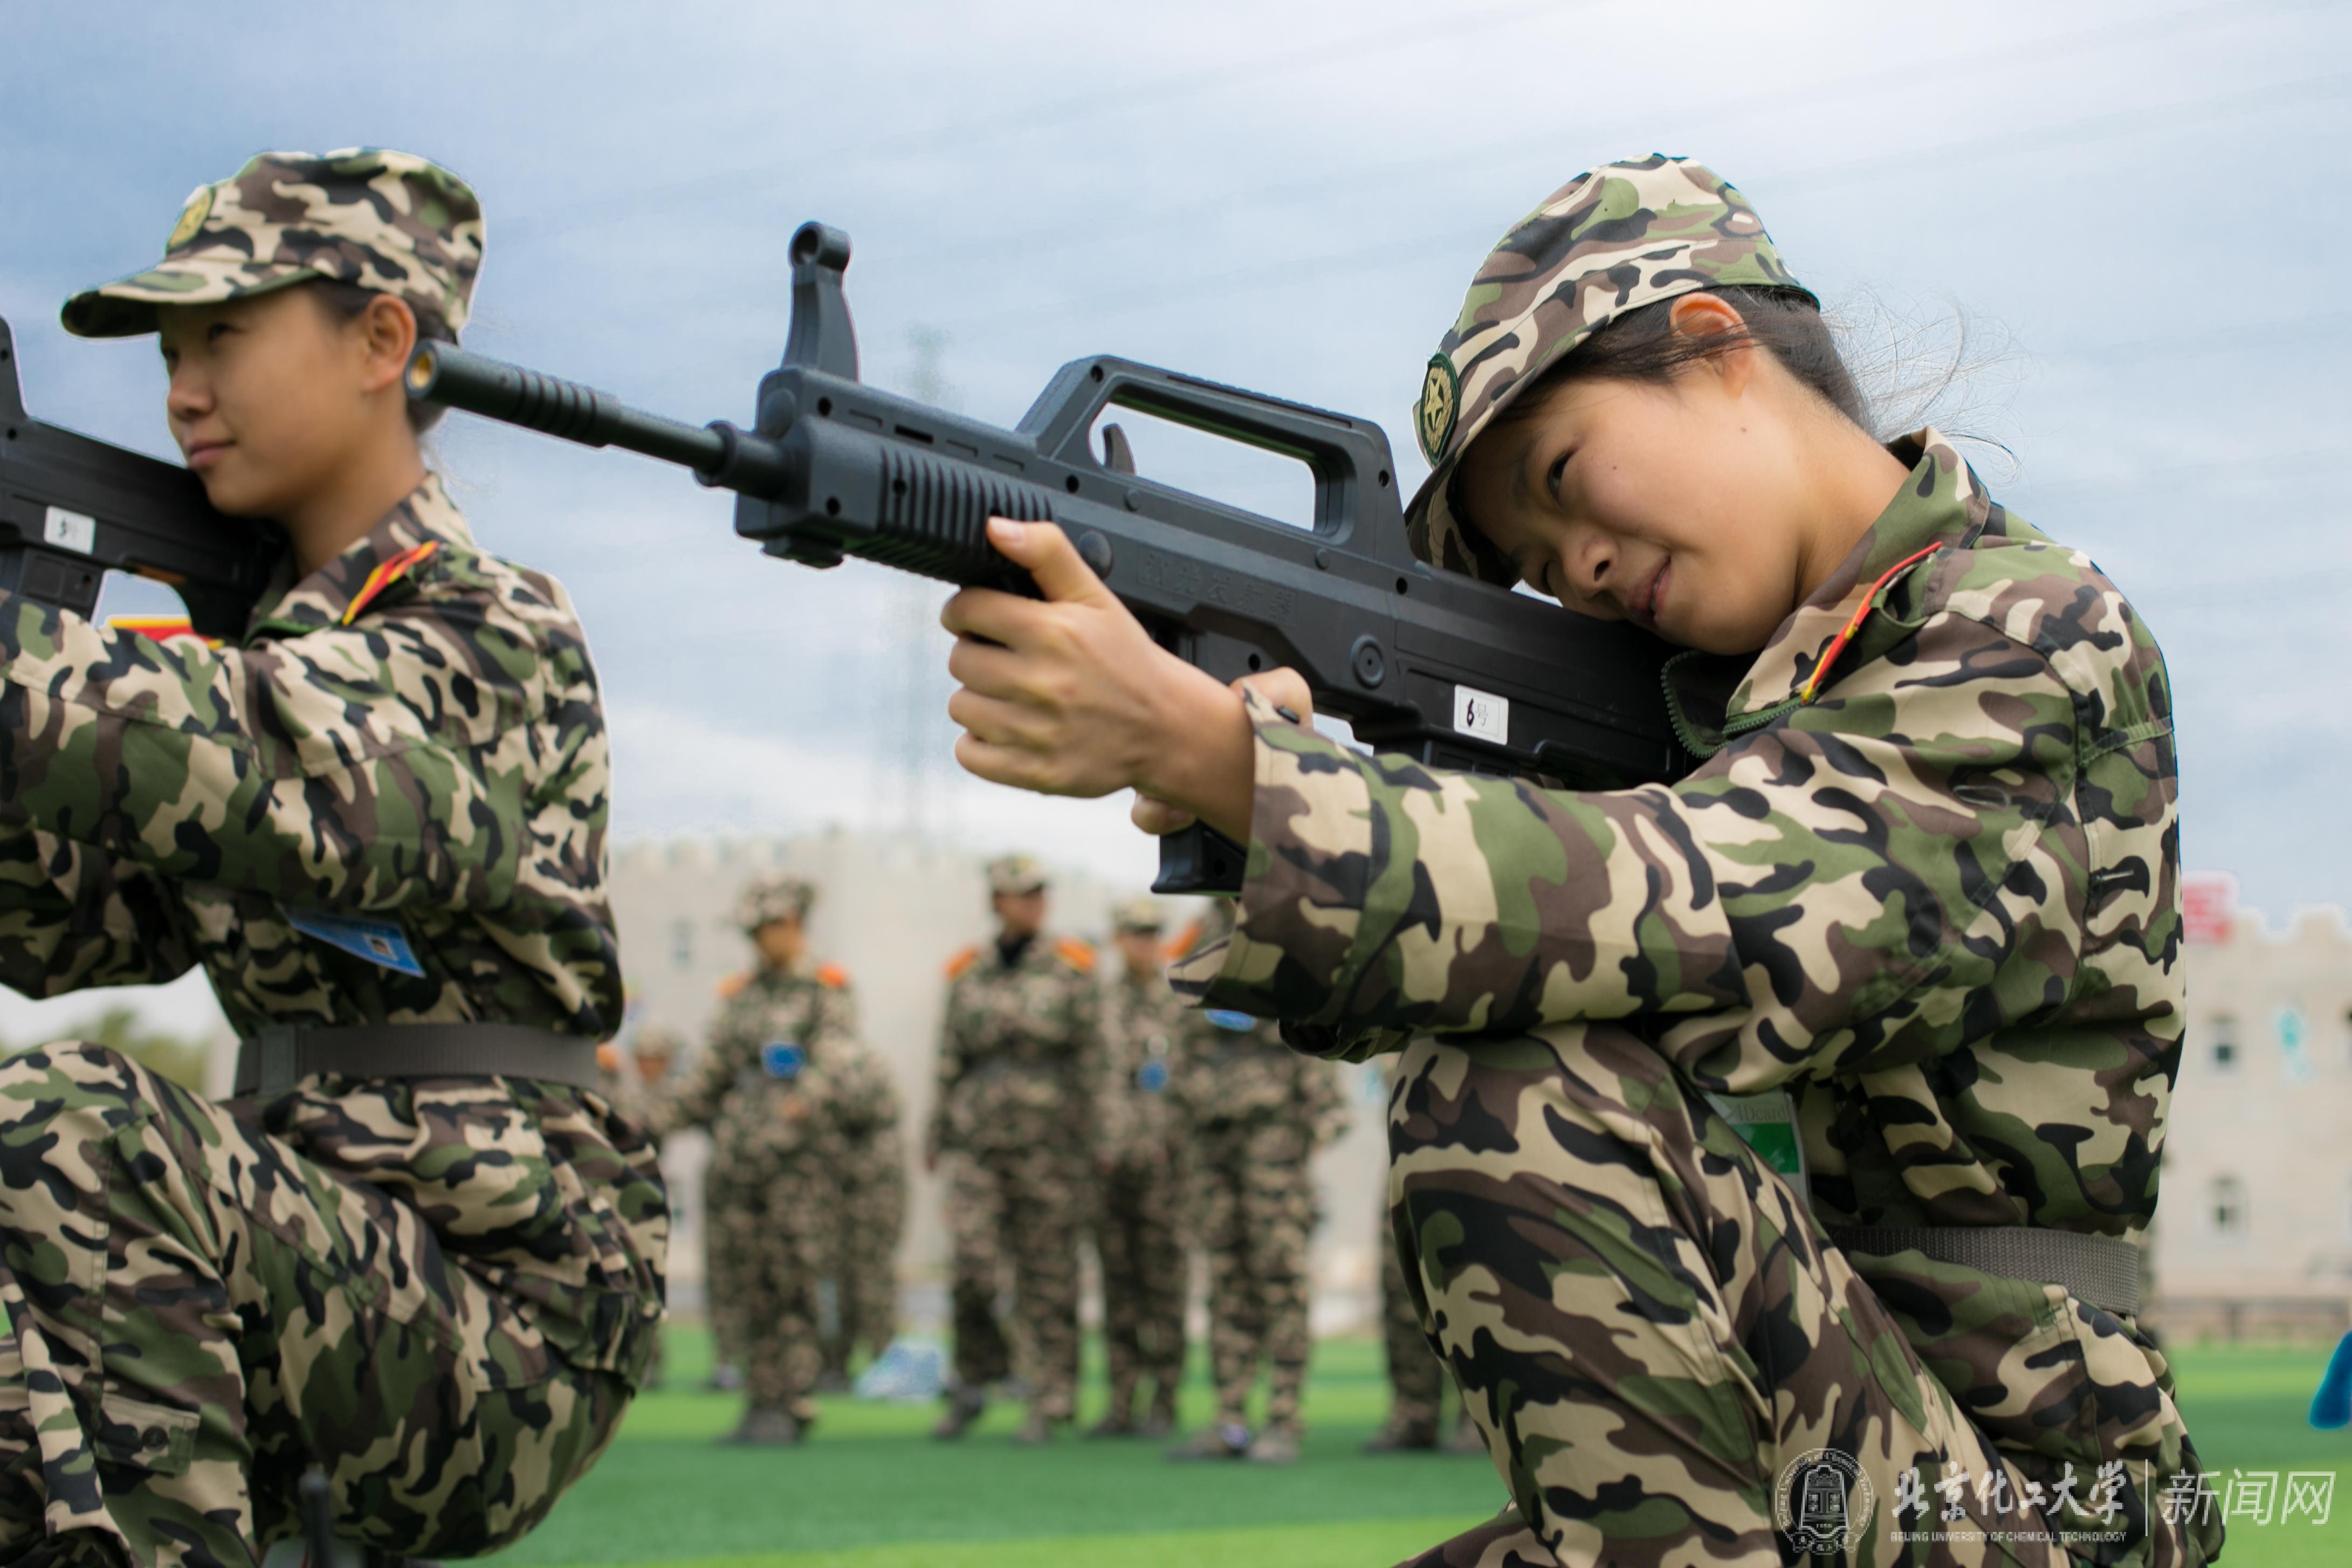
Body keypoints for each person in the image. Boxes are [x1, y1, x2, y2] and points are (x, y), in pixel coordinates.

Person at [936, 154, 2219, 1566]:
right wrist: (1270, 791)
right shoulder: (1713, 706)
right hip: (1813, 1423)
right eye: (1539, 564)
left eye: (1560, 479)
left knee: (1515, 1085)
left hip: (2029, 1484)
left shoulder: (2027, 632)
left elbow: (1718, 909)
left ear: (1714, 343)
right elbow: (1504, 931)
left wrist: (1237, 771)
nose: (1579, 570)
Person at [0, 148, 666, 1565]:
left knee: (70, 1126)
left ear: (382, 341)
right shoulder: (252, 658)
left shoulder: (490, 635)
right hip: (294, 1242)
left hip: (510, 1309)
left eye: (223, 338)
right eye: (170, 353)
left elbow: (281, 773)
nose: (184, 391)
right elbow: (62, 926)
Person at [648, 875, 890, 1444]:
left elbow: (835, 1064)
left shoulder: (825, 991)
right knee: (744, 1282)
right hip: (737, 1162)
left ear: (794, 924)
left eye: (767, 927)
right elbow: (708, 1075)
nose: (758, 940)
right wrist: (653, 1120)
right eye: (752, 930)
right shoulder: (741, 997)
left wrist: (797, 1108)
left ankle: (793, 1398)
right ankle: (760, 1398)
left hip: (797, 1167)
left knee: (792, 1279)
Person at [1161, 909, 1347, 1467]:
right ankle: (1231, 1419)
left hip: (1274, 1143)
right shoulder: (1201, 937)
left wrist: (1314, 1122)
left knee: (1280, 1276)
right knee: (1226, 1276)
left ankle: (1284, 1418)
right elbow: (1181, 1036)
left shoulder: (1288, 929)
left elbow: (1314, 1033)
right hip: (1212, 1140)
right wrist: (1184, 1110)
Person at [927, 854, 1102, 1445]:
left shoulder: (1072, 968)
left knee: (1047, 1273)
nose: (1034, 904)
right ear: (997, 901)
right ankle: (977, 1380)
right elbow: (949, 1056)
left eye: (1039, 893)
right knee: (971, 1267)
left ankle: (1052, 1396)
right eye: (1022, 894)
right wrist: (936, 1132)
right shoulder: (968, 971)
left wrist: (1100, 1136)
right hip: (980, 1141)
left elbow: (1097, 1058)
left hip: (1050, 1145)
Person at [1088, 895, 1190, 1439]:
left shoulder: (1180, 1003)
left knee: (1165, 1283)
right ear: (1117, 938)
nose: (1144, 942)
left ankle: (1165, 1398)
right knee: (1118, 1284)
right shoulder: (1097, 1004)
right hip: (1108, 1168)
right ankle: (1122, 1398)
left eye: (1152, 932)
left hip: (1165, 1170)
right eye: (1135, 932)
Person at [819, 1067, 908, 1392]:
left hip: (873, 1208)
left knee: (874, 1281)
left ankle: (884, 1362)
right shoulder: (838, 1141)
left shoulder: (880, 1143)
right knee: (838, 1282)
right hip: (841, 1206)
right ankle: (834, 1365)